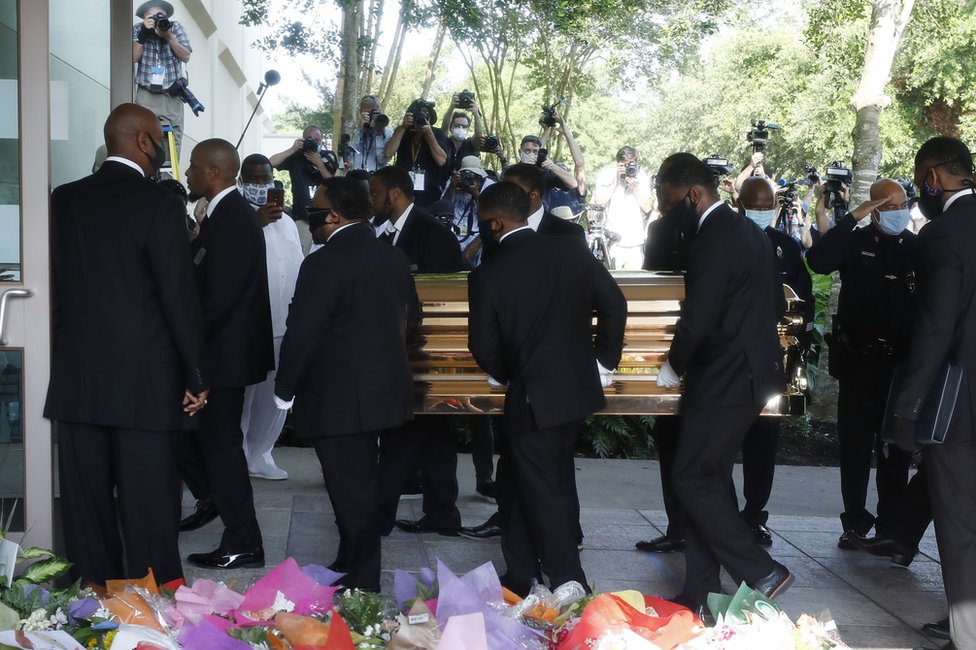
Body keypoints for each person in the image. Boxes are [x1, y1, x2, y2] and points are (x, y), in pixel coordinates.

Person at [44, 103, 207, 586]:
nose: (162, 148)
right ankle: (152, 606)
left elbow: (53, 285)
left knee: (86, 508)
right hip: (146, 380)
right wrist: (196, 374)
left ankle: (89, 603)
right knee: (149, 505)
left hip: (78, 377)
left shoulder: (64, 198)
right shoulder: (159, 203)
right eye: (160, 138)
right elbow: (178, 296)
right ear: (142, 142)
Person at [468, 181, 627, 595]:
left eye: (484, 223)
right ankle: (520, 572)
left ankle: (570, 582)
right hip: (574, 392)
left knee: (545, 491)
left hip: (532, 396)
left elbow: (482, 347)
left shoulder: (489, 273)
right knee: (523, 481)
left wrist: (513, 374)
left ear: (497, 223)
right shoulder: (570, 251)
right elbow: (615, 303)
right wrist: (601, 362)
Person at [654, 153, 791, 613]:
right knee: (708, 477)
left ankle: (761, 570)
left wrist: (674, 364)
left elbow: (699, 315)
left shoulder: (712, 238)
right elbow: (773, 303)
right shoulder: (750, 232)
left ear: (694, 194)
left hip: (725, 378)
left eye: (668, 202)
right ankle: (703, 592)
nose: (664, 211)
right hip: (749, 373)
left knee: (690, 475)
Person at [274, 177, 417, 591]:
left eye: (316, 210)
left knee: (351, 491)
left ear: (334, 216)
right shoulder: (392, 256)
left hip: (338, 394)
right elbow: (413, 321)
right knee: (355, 487)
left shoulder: (322, 263)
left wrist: (285, 389)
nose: (312, 217)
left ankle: (364, 583)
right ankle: (350, 558)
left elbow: (303, 332)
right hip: (385, 388)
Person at [458, 162, 587, 542]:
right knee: (529, 467)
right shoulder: (554, 250)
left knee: (550, 475)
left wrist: (508, 371)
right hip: (548, 380)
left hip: (541, 382)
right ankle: (518, 545)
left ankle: (564, 555)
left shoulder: (564, 237)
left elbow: (482, 343)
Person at [886, 136, 976, 650]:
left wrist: (908, 406)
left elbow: (936, 329)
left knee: (961, 527)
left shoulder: (944, 234)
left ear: (934, 178)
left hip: (960, 408)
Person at [177, 138, 274, 569]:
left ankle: (243, 541)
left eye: (194, 166)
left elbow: (219, 301)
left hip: (223, 357)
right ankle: (224, 514)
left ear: (214, 173)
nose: (188, 173)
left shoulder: (233, 218)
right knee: (212, 445)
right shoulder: (223, 215)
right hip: (223, 353)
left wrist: (191, 357)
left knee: (222, 448)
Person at [806, 178, 916, 549]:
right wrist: (853, 216)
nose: (898, 212)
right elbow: (817, 260)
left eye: (902, 205)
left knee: (895, 450)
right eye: (888, 206)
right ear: (874, 210)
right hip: (857, 363)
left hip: (899, 366)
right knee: (854, 447)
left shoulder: (915, 247)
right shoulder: (855, 241)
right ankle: (854, 523)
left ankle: (889, 526)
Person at [368, 166, 465, 537]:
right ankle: (443, 513)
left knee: (403, 436)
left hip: (424, 353)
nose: (372, 200)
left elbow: (445, 298)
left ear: (394, 194)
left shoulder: (432, 234)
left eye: (375, 193)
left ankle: (381, 515)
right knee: (435, 436)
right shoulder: (387, 232)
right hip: (403, 352)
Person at [236, 154, 304, 480]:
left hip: (284, 323)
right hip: (249, 325)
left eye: (265, 180)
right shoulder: (235, 218)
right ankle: (237, 454)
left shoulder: (288, 223)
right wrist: (255, 222)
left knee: (275, 396)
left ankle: (262, 453)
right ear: (241, 181)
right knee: (243, 396)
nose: (260, 187)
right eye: (253, 180)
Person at [132, 2, 192, 156]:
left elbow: (185, 56)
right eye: (151, 17)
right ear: (144, 18)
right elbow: (132, 58)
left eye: (160, 16)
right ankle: (145, 178)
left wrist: (169, 37)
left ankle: (168, 180)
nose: (157, 20)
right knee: (141, 136)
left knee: (173, 139)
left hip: (172, 93)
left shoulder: (175, 27)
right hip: (146, 92)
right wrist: (143, 35)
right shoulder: (138, 29)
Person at [269, 125, 335, 254]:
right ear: (303, 140)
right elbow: (270, 162)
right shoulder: (296, 156)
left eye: (317, 140)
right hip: (302, 217)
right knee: (301, 254)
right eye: (310, 140)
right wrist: (292, 149)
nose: (314, 143)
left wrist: (319, 163)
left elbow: (333, 182)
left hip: (326, 218)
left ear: (322, 140)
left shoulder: (328, 156)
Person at [590, 147, 654, 269]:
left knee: (635, 285)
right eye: (624, 165)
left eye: (631, 164)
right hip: (613, 242)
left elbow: (647, 207)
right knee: (612, 283)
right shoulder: (607, 174)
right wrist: (615, 182)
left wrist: (636, 187)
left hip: (636, 243)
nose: (628, 168)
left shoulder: (641, 176)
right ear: (618, 163)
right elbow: (599, 202)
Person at [385, 98, 450, 206]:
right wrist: (403, 127)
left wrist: (429, 135)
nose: (421, 117)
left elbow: (441, 161)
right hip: (402, 189)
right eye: (418, 114)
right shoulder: (403, 131)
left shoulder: (436, 133)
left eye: (426, 114)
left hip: (428, 193)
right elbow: (388, 153)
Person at [344, 95, 393, 172]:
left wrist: (379, 133)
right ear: (360, 113)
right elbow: (348, 158)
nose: (372, 116)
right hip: (355, 177)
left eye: (375, 112)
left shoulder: (388, 134)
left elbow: (382, 160)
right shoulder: (353, 132)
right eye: (368, 113)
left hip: (376, 178)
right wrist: (360, 130)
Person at [440, 92, 485, 170]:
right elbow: (444, 127)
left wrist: (476, 114)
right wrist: (452, 107)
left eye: (464, 127)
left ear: (468, 129)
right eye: (457, 126)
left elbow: (478, 135)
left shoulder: (470, 145)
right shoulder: (444, 142)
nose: (461, 128)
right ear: (451, 127)